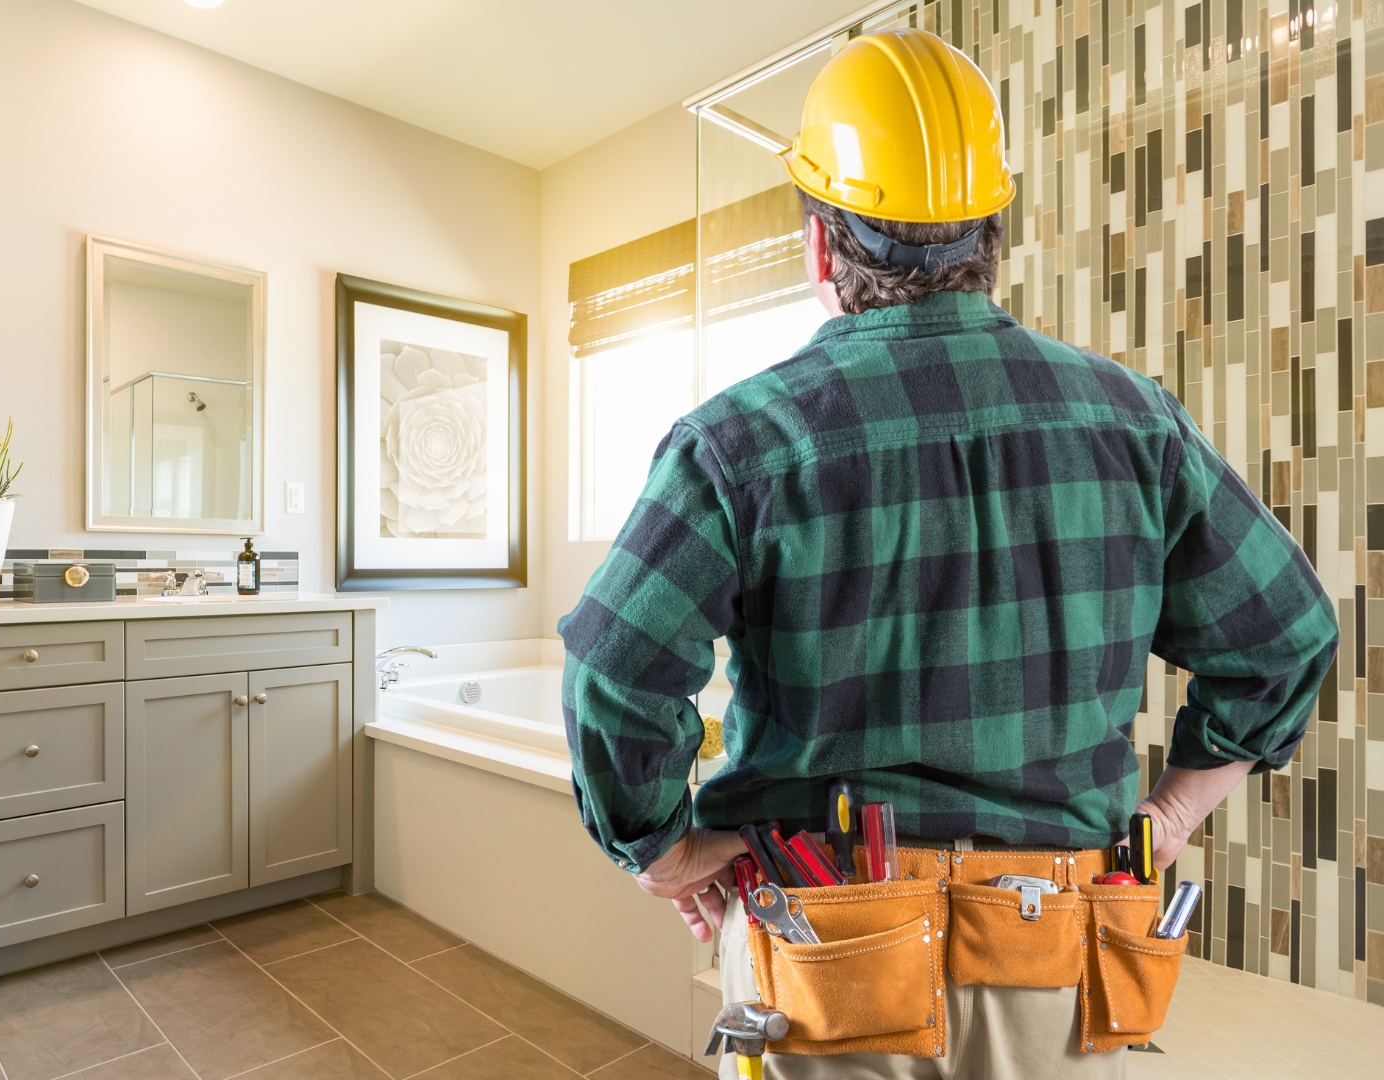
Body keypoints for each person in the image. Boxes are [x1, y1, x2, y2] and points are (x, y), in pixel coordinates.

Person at [558, 27, 1337, 1080]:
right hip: (1056, 957)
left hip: (826, 959)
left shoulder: (737, 444)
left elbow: (613, 666)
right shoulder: (1134, 424)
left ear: (822, 246)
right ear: (993, 236)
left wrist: (661, 845)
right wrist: (1175, 808)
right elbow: (1289, 635)